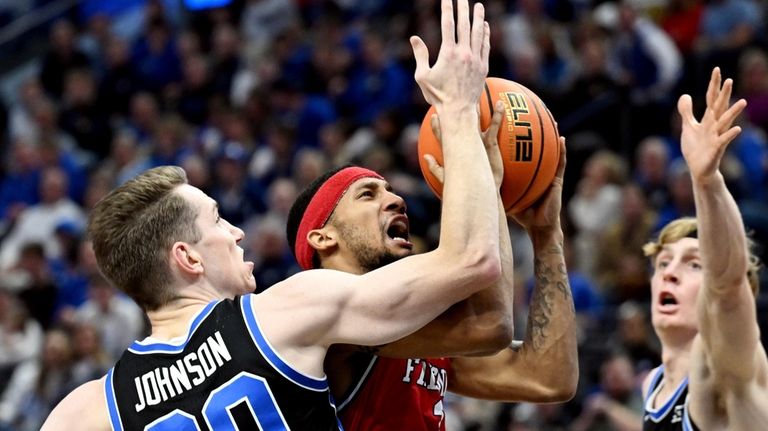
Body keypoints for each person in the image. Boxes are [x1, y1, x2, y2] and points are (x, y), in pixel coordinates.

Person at [40, 1, 502, 429]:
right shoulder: (283, 314)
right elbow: (474, 260)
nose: (236, 232)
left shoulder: (86, 411)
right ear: (188, 258)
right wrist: (458, 107)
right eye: (217, 221)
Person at [286, 102, 577, 429]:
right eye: (368, 195)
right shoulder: (328, 321)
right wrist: (481, 180)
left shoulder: (417, 329)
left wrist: (547, 236)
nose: (396, 201)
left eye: (390, 191)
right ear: (322, 238)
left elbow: (548, 378)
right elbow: (490, 324)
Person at [641, 67, 766, 430]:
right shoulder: (654, 384)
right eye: (663, 263)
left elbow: (726, 286)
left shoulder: (724, 373)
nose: (670, 272)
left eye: (693, 264)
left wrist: (707, 182)